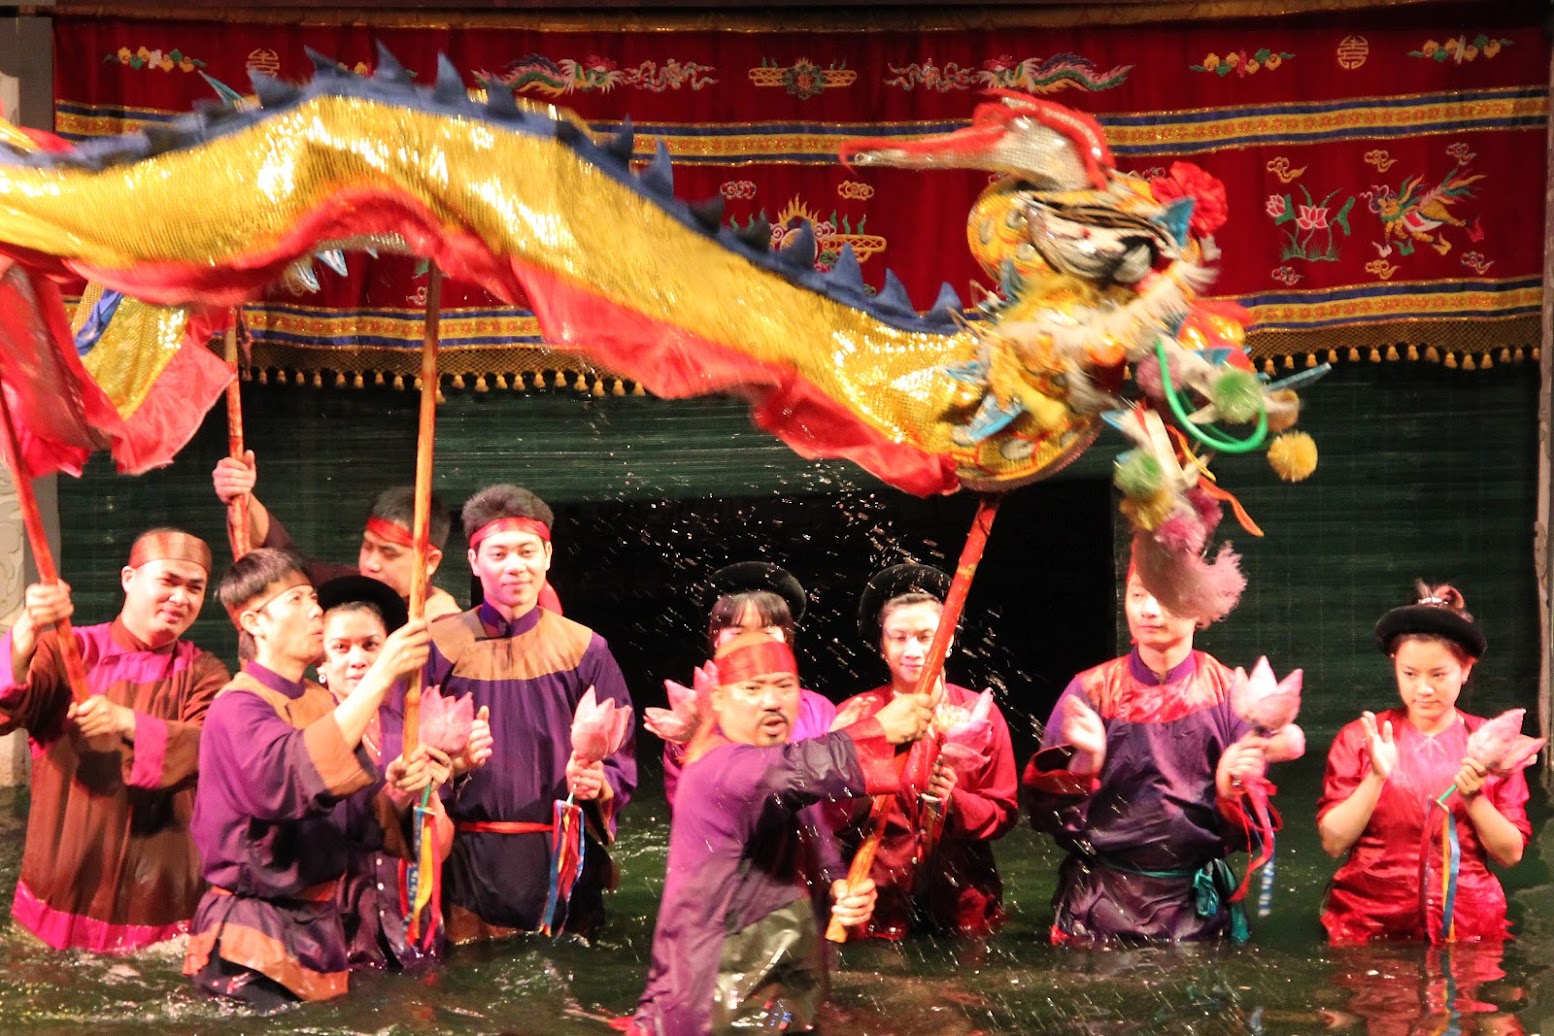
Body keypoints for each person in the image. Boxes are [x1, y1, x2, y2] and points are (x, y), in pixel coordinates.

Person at [629, 630, 934, 1035]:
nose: (772, 701)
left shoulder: (785, 780)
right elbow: (790, 770)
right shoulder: (715, 771)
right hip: (713, 1005)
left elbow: (821, 854)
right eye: (753, 689)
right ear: (718, 699)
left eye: (784, 686)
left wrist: (843, 892)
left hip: (780, 999)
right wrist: (880, 729)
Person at [183, 549, 446, 1008]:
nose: (315, 610)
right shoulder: (237, 705)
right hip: (253, 935)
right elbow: (286, 781)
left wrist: (400, 793)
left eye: (312, 598)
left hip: (319, 928)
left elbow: (354, 824)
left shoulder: (320, 702)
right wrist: (382, 673)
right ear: (255, 623)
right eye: (296, 600)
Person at [1022, 565, 1303, 944]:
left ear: (1199, 607)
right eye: (1138, 595)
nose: (1149, 609)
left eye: (1165, 597)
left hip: (1195, 908)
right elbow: (1046, 818)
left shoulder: (1228, 694)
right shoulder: (1091, 690)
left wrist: (1229, 788)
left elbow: (1249, 831)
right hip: (1100, 906)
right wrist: (1085, 762)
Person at [413, 484, 634, 942]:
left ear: (547, 556)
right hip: (468, 866)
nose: (515, 566)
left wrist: (599, 783)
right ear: (474, 561)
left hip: (559, 860)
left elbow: (621, 756)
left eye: (527, 551)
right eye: (498, 554)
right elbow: (410, 759)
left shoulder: (585, 650)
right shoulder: (440, 647)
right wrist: (453, 768)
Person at [0, 528, 227, 952]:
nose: (181, 597)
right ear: (128, 578)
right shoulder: (68, 651)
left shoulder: (204, 673)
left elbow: (211, 750)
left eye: (195, 588)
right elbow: (6, 706)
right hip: (63, 888)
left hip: (162, 900)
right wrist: (28, 627)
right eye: (168, 581)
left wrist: (128, 722)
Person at [1317, 582, 1531, 944]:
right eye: (1410, 674)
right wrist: (1376, 778)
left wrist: (1475, 798)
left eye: (1438, 674)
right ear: (1394, 665)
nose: (1424, 689)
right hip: (1367, 929)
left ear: (1466, 668)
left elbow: (1510, 854)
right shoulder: (1361, 738)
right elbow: (1333, 843)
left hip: (1467, 932)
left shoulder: (1492, 745)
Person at [829, 564, 1018, 940]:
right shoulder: (857, 716)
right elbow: (825, 821)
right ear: (882, 646)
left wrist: (954, 803)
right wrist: (861, 790)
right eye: (899, 638)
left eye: (925, 637)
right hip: (876, 911)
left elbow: (1004, 812)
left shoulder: (979, 715)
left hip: (963, 911)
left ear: (948, 641)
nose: (913, 651)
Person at [315, 575, 492, 970]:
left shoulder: (410, 729)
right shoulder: (309, 730)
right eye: (340, 648)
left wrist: (436, 789)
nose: (357, 659)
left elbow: (437, 849)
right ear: (320, 663)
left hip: (411, 922)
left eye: (370, 645)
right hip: (338, 929)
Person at [212, 451, 475, 619]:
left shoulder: (446, 623)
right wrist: (241, 495)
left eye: (389, 553)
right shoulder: (342, 589)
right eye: (368, 546)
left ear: (430, 561)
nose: (371, 564)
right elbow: (278, 554)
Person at [661, 561, 835, 812]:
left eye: (767, 633)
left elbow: (838, 806)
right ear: (716, 641)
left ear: (786, 639)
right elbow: (689, 811)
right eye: (738, 634)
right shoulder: (692, 719)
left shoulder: (818, 712)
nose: (753, 645)